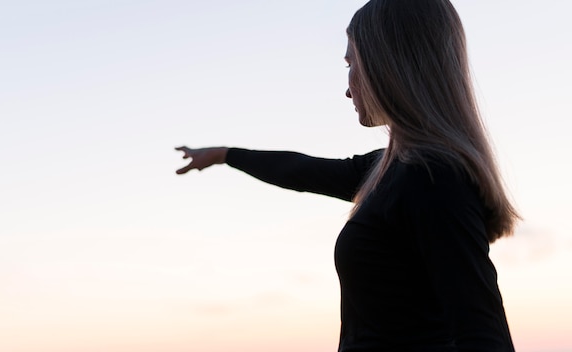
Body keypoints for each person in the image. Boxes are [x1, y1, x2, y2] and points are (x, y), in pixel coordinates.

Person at [176, 0, 520, 351]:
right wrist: (224, 155)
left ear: (387, 66)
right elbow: (303, 171)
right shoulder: (389, 169)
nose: (347, 88)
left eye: (351, 64)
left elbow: (483, 334)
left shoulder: (434, 179)